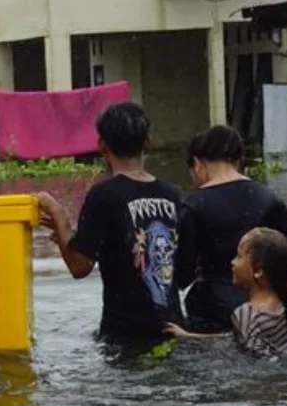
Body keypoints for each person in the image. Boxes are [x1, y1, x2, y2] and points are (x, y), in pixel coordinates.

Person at [34, 102, 185, 341]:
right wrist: (67, 234)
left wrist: (58, 215)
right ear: (147, 141)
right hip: (173, 328)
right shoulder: (172, 194)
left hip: (124, 334)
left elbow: (79, 266)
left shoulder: (103, 194)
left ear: (101, 144)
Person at [175, 125, 287, 332]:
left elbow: (182, 275)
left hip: (214, 310)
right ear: (238, 160)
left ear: (198, 164)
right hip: (270, 313)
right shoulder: (269, 198)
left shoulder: (193, 204)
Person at [168, 227, 287, 359]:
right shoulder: (283, 305)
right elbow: (237, 338)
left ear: (258, 270)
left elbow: (258, 361)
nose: (232, 262)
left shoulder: (246, 313)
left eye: (239, 256)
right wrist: (189, 337)